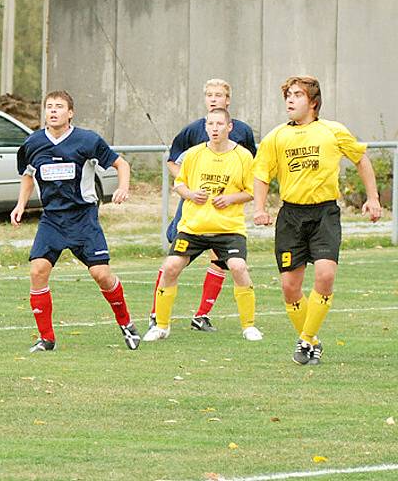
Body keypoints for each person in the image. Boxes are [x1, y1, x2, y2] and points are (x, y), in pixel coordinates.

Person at [253, 75, 381, 365]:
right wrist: (258, 208)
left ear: (313, 102)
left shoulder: (332, 131)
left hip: (324, 213)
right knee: (290, 287)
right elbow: (261, 174)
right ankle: (312, 341)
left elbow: (361, 159)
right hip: (291, 216)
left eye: (297, 95)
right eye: (287, 94)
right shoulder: (276, 137)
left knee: (325, 275)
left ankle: (303, 341)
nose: (290, 99)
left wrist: (372, 198)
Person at [11, 90, 140, 353]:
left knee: (101, 274)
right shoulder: (33, 143)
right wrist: (21, 204)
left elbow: (121, 164)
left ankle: (126, 324)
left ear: (70, 112)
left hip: (83, 218)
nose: (53, 111)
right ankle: (46, 339)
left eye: (59, 107)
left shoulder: (87, 140)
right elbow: (28, 174)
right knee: (37, 271)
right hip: (52, 220)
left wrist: (123, 187)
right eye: (49, 107)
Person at [143, 108, 262, 342]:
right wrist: (190, 194)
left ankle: (249, 326)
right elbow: (179, 184)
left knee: (238, 267)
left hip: (228, 228)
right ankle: (161, 326)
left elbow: (251, 191)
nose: (214, 128)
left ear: (229, 128)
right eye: (210, 124)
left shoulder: (243, 156)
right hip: (193, 227)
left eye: (219, 124)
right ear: (205, 127)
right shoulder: (194, 154)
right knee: (170, 267)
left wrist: (230, 198)